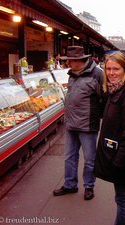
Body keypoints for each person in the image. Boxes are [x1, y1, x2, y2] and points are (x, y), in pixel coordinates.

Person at [94, 51, 125, 225]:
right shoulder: (115, 90)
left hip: (123, 158)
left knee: (123, 200)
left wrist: (118, 162)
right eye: (108, 69)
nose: (111, 73)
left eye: (115, 69)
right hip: (116, 154)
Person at [53, 46, 104, 200]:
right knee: (69, 157)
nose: (68, 63)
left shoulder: (97, 74)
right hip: (71, 123)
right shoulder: (72, 75)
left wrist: (97, 117)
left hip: (88, 124)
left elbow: (104, 97)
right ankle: (70, 185)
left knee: (90, 158)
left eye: (70, 60)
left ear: (79, 60)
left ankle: (89, 186)